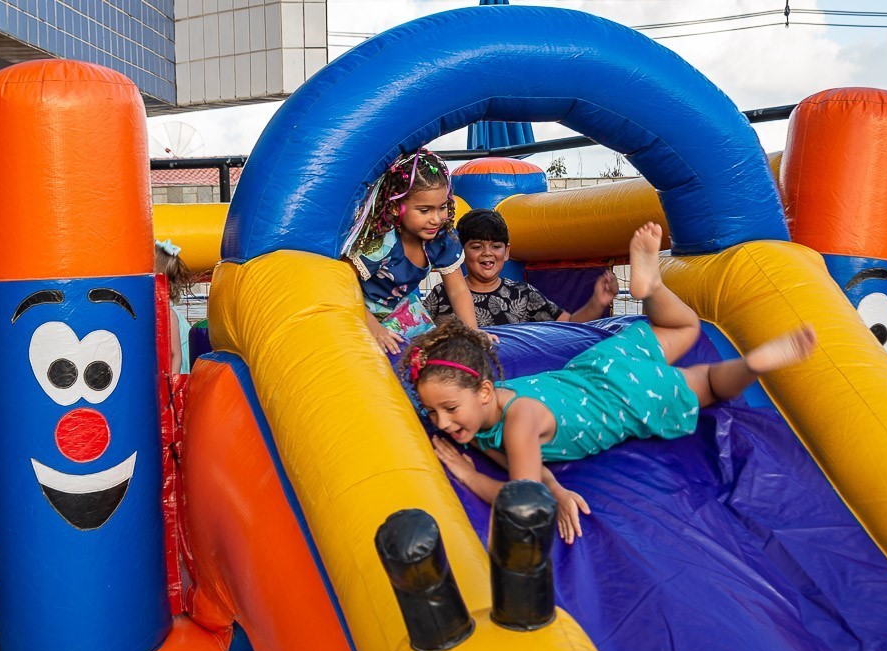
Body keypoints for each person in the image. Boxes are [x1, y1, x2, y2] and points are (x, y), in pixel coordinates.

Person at [401, 222, 816, 543]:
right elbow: (520, 462)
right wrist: (559, 489)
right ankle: (651, 287)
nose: (440, 423)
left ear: (484, 391)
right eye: (433, 412)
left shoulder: (518, 419)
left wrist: (467, 474)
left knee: (707, 379)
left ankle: (751, 365)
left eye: (448, 409)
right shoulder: (487, 409)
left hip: (625, 396)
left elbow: (525, 498)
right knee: (686, 326)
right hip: (600, 365)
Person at [343, 148, 480, 355]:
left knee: (436, 354)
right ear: (397, 207)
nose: (435, 219)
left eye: (442, 207)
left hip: (401, 308)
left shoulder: (440, 239)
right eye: (424, 210)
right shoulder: (381, 242)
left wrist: (473, 332)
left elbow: (458, 290)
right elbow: (342, 285)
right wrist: (373, 327)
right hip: (360, 309)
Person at [423, 209, 619, 327]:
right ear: (461, 252)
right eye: (476, 247)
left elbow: (568, 326)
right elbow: (416, 331)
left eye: (496, 246)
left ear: (506, 252)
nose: (487, 253)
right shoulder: (442, 294)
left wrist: (597, 303)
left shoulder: (522, 294)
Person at [154, 239, 193, 374]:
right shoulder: (156, 311)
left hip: (178, 369)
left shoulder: (168, 314)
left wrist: (171, 387)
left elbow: (176, 355)